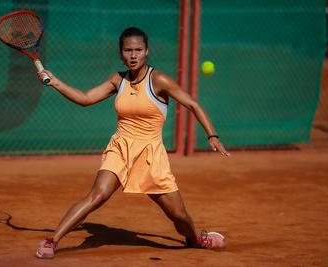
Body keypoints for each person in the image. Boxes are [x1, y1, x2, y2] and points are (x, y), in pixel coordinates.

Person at [35, 26, 230, 259]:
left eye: (138, 49)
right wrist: (56, 82)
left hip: (150, 156)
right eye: (128, 50)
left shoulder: (159, 80)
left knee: (179, 216)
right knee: (98, 195)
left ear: (147, 51)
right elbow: (85, 99)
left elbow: (193, 105)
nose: (133, 55)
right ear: (121, 53)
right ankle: (52, 240)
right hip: (121, 148)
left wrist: (212, 135)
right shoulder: (118, 80)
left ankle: (196, 239)